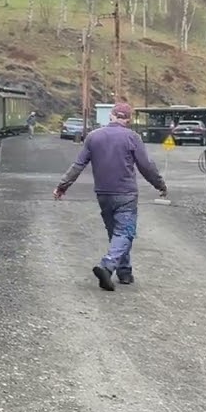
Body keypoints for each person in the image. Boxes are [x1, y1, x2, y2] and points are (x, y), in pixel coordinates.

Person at [52, 102, 167, 291]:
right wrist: (160, 185)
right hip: (126, 193)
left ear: (111, 116)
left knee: (117, 234)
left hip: (103, 193)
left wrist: (62, 186)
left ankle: (124, 272)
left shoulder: (93, 137)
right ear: (128, 120)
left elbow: (78, 165)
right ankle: (107, 266)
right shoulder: (132, 137)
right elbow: (146, 166)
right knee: (125, 232)